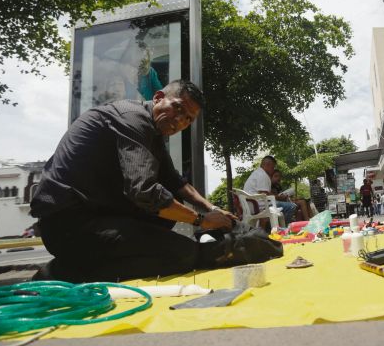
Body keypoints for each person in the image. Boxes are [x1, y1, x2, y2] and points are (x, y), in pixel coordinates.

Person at [29, 79, 236, 283]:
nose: (180, 120)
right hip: (67, 224)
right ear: (158, 98)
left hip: (94, 213)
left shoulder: (152, 132)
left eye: (188, 119)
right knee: (183, 254)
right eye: (178, 108)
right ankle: (60, 274)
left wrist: (212, 208)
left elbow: (176, 181)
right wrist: (201, 220)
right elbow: (144, 192)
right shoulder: (134, 119)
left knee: (170, 213)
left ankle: (101, 257)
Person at [243, 156, 297, 225]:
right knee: (291, 206)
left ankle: (277, 226)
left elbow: (264, 193)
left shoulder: (256, 173)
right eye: (273, 167)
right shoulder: (262, 175)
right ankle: (284, 227)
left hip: (251, 205)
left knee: (284, 205)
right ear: (267, 165)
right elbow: (265, 194)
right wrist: (279, 197)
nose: (273, 169)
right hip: (258, 206)